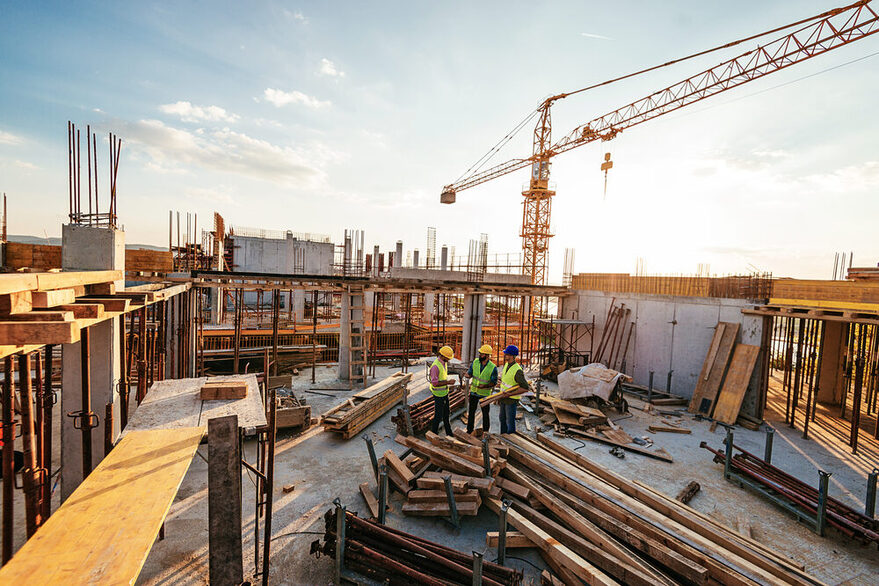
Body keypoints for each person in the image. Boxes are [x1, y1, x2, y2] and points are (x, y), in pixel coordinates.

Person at [464, 344, 498, 434]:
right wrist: (468, 375)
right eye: (479, 353)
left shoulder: (492, 367)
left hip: (484, 394)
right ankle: (469, 430)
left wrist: (485, 386)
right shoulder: (475, 362)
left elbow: (494, 382)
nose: (479, 355)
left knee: (485, 414)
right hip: (474, 392)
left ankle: (486, 432)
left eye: (481, 354)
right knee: (471, 413)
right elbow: (470, 372)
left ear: (487, 355)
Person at [498, 344, 530, 434]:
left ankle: (511, 440)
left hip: (511, 400)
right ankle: (503, 438)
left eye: (506, 354)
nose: (505, 356)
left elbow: (525, 388)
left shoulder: (517, 370)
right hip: (503, 397)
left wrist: (510, 394)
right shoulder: (506, 365)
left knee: (510, 422)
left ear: (512, 356)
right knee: (502, 419)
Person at [429, 345, 457, 435]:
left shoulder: (443, 363)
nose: (449, 360)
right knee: (438, 415)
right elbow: (435, 383)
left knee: (446, 414)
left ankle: (449, 433)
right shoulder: (435, 367)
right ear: (443, 356)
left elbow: (442, 377)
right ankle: (434, 433)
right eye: (448, 358)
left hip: (444, 392)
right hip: (438, 395)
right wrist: (448, 382)